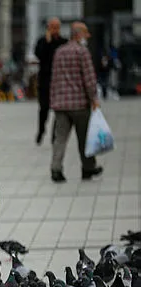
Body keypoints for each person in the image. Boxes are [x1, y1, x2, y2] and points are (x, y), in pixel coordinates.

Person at [49, 22, 102, 183]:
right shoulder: (82, 52)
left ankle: (56, 169)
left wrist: (54, 100)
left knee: (60, 139)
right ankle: (88, 168)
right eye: (86, 33)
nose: (88, 36)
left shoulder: (59, 52)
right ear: (78, 34)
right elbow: (89, 79)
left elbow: (55, 78)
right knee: (84, 138)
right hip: (80, 104)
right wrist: (94, 98)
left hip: (61, 104)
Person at [34, 17, 67, 145]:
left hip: (59, 81)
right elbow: (39, 55)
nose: (54, 29)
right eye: (52, 27)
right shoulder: (42, 41)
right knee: (44, 108)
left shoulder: (63, 42)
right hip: (45, 81)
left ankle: (55, 135)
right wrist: (47, 42)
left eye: (56, 27)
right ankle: (41, 131)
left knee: (58, 111)